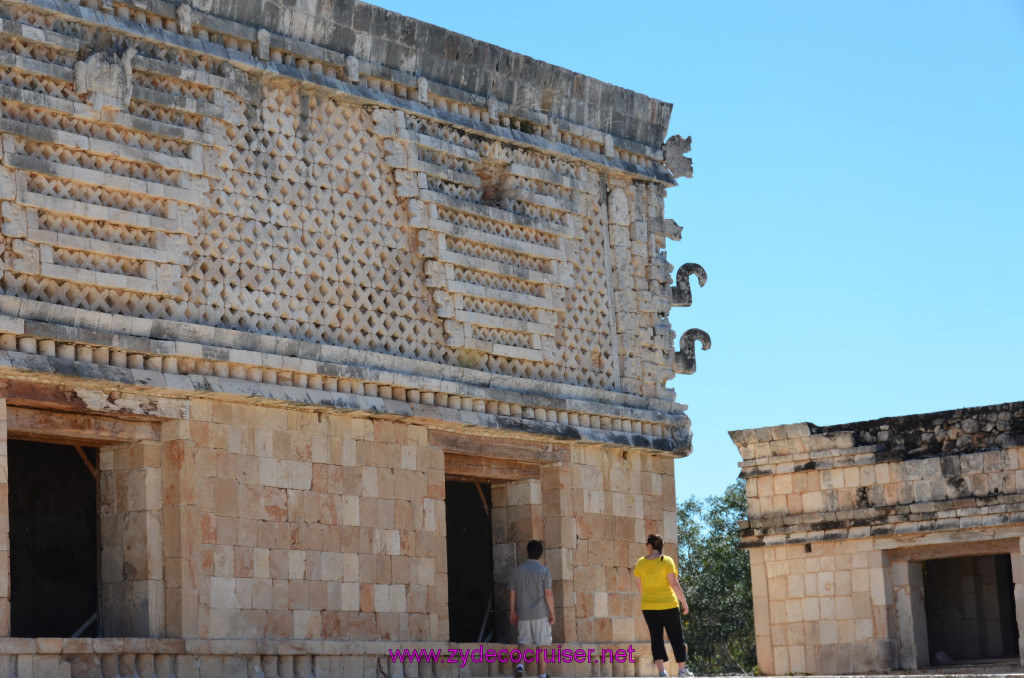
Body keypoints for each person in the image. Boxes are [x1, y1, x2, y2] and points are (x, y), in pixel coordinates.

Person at [634, 533, 692, 677]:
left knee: (656, 638)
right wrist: (683, 602)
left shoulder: (641, 562)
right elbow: (673, 583)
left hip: (648, 606)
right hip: (668, 605)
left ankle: (661, 672)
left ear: (649, 545)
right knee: (676, 637)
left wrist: (648, 599)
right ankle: (682, 670)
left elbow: (639, 586)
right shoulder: (667, 561)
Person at [509, 540, 555, 678]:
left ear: (527, 553)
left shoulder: (517, 571)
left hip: (523, 613)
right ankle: (542, 675)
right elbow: (548, 593)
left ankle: (520, 666)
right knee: (542, 646)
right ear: (540, 555)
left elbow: (512, 593)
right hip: (540, 614)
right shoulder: (543, 571)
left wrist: (512, 612)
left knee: (523, 642)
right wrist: (552, 612)